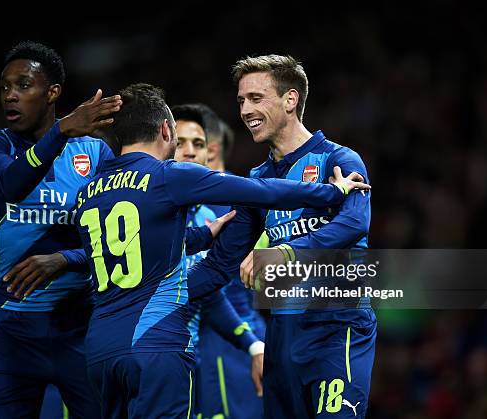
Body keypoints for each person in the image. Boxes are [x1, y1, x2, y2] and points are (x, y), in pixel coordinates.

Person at [73, 83, 369, 418]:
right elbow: (261, 189)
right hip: (156, 342)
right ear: (165, 129)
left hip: (99, 349)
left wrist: (200, 236)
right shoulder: (167, 176)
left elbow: (127, 246)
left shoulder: (88, 192)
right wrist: (330, 193)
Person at [189, 54, 375, 419]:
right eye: (241, 100)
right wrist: (159, 293)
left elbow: (354, 223)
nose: (244, 109)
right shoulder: (257, 180)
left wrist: (287, 252)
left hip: (336, 327)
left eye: (256, 98)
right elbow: (220, 264)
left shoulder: (338, 159)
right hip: (282, 335)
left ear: (291, 100)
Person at [0, 40, 121, 418]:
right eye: (5, 87)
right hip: (11, 339)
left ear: (52, 92)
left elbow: (119, 242)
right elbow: (9, 185)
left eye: (23, 85)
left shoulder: (97, 153)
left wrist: (65, 260)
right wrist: (61, 131)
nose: (10, 96)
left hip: (80, 330)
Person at [172, 103, 265, 419]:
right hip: (231, 333)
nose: (188, 152)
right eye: (180, 142)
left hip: (225, 340)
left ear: (209, 150)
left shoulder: (223, 205)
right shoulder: (185, 203)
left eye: (196, 144)